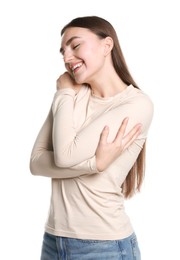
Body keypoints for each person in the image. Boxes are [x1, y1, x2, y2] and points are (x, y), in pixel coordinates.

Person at [30, 16, 153, 260]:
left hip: (103, 246)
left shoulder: (137, 104)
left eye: (75, 46)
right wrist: (93, 165)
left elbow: (64, 156)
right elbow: (36, 162)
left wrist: (64, 91)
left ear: (107, 45)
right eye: (63, 52)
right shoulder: (72, 96)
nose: (66, 58)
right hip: (54, 241)